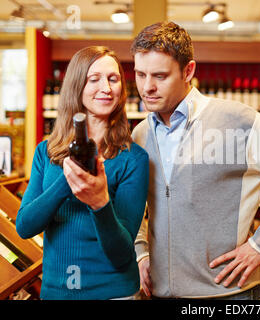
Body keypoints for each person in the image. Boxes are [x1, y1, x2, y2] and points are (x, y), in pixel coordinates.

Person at [132, 22, 260, 299]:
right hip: (162, 293)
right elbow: (132, 201)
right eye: (140, 74)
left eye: (160, 76)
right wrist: (141, 252)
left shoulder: (235, 121)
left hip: (229, 294)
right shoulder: (140, 133)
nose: (147, 87)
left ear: (188, 71)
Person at [15, 46, 149, 300]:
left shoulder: (133, 159)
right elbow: (25, 226)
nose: (106, 88)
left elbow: (121, 252)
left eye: (113, 79)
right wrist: (69, 180)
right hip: (56, 291)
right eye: (94, 79)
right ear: (77, 85)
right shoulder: (46, 152)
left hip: (114, 294)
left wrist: (100, 203)